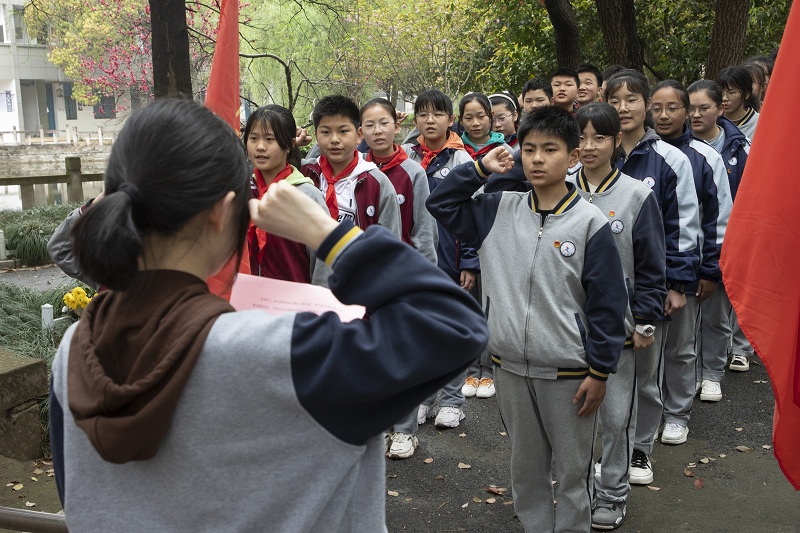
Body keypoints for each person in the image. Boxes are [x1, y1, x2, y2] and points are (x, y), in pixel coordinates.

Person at [48, 98, 489, 532]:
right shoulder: (283, 353)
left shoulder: (76, 349)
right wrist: (328, 234)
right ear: (225, 213)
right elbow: (454, 324)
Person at [427, 106, 629, 532]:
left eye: (550, 150)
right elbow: (440, 202)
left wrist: (600, 370)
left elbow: (608, 304)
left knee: (573, 474)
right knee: (526, 472)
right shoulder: (498, 209)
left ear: (573, 158)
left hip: (571, 374)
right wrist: (480, 170)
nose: (536, 159)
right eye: (530, 149)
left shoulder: (591, 223)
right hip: (511, 368)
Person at [574, 103, 666, 530]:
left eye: (599, 138)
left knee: (616, 419)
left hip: (619, 331)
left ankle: (612, 495)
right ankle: (577, 493)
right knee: (573, 421)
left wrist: (644, 321)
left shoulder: (636, 195)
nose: (589, 147)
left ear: (616, 142)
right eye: (582, 137)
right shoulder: (558, 188)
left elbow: (650, 265)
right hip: (567, 328)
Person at [605, 69, 700, 485]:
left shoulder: (670, 159)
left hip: (650, 287)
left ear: (645, 104)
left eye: (631, 99)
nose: (623, 108)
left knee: (645, 374)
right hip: (602, 290)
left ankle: (640, 449)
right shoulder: (597, 154)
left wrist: (677, 284)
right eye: (615, 101)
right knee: (605, 374)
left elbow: (685, 225)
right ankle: (610, 451)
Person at [359, 97, 438, 459]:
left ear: (397, 125)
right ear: (361, 131)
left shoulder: (413, 171)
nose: (377, 131)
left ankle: (405, 431)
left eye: (384, 123)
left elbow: (423, 230)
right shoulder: (355, 171)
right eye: (369, 125)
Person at [651, 81, 732, 426]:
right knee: (646, 351)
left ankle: (677, 414)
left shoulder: (704, 157)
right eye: (657, 108)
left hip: (688, 271)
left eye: (672, 108)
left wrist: (709, 271)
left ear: (685, 111)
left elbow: (718, 220)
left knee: (681, 348)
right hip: (645, 272)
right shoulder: (635, 154)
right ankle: (645, 417)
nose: (664, 115)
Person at [401, 89, 476, 429]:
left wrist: (470, 262)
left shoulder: (463, 160)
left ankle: (452, 399)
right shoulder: (405, 156)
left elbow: (475, 214)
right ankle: (422, 397)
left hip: (451, 257)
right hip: (413, 261)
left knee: (450, 329)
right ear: (414, 119)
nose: (429, 121)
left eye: (437, 114)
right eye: (423, 114)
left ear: (450, 119)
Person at [688, 79, 755, 376]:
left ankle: (724, 362)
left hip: (731, 236)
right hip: (693, 240)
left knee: (723, 306)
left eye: (704, 108)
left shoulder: (741, 147)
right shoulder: (672, 149)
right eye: (690, 108)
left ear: (720, 108)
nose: (696, 115)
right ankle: (694, 373)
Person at [243, 104, 331, 285]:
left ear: (290, 145)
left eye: (270, 139)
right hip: (247, 305)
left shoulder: (306, 195)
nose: (260, 147)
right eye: (253, 138)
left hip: (298, 308)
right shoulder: (242, 192)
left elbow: (323, 263)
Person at [301, 95, 401, 235]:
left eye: (343, 131)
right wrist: (290, 144)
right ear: (316, 136)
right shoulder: (304, 174)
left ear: (359, 135)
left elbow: (390, 243)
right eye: (325, 132)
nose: (334, 139)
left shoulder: (377, 183)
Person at [459, 92, 514, 159]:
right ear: (460, 119)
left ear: (491, 115)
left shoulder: (504, 151)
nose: (475, 123)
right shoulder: (456, 149)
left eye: (481, 116)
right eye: (468, 118)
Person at [716, 66, 760, 141]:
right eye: (721, 93)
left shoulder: (759, 123)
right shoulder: (713, 120)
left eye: (731, 92)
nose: (724, 98)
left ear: (746, 94)